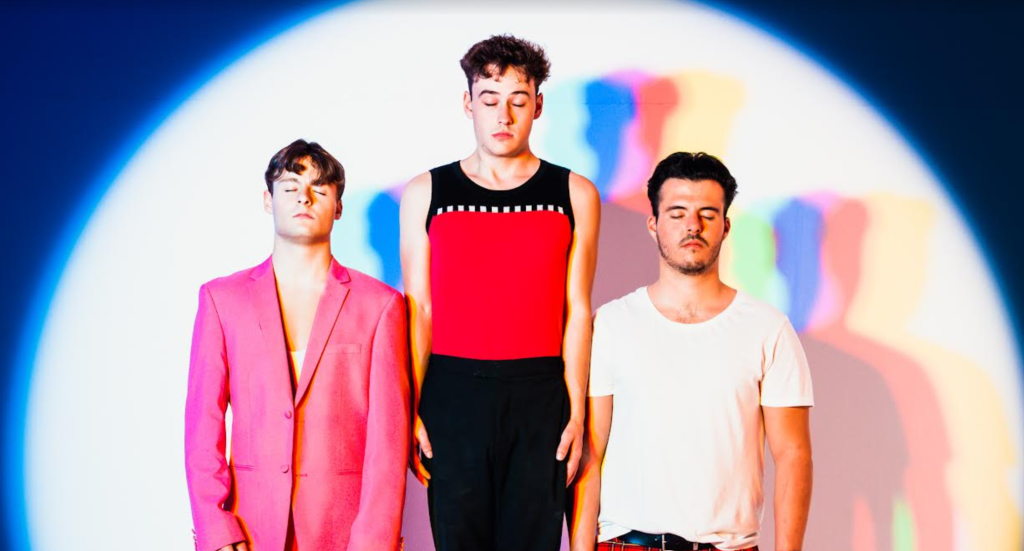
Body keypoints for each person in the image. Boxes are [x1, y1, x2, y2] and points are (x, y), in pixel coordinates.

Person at [399, 34, 601, 551]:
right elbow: (419, 309)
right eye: (489, 100)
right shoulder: (427, 192)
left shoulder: (574, 194)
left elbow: (578, 310)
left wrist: (576, 413)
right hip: (451, 396)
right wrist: (411, 407)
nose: (503, 116)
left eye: (517, 100)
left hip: (540, 397)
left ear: (538, 105)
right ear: (468, 103)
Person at [572, 152, 813, 551]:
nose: (693, 226)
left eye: (708, 214)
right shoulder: (611, 324)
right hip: (625, 544)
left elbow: (793, 455)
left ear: (725, 226)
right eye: (677, 212)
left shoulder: (769, 330)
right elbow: (589, 454)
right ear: (654, 224)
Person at [185, 139, 410, 551]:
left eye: (319, 188)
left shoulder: (380, 306)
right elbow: (203, 425)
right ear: (268, 200)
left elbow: (388, 444)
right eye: (290, 187)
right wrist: (216, 528)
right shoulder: (222, 300)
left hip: (344, 532)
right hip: (249, 531)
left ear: (338, 207)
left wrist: (374, 541)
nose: (304, 198)